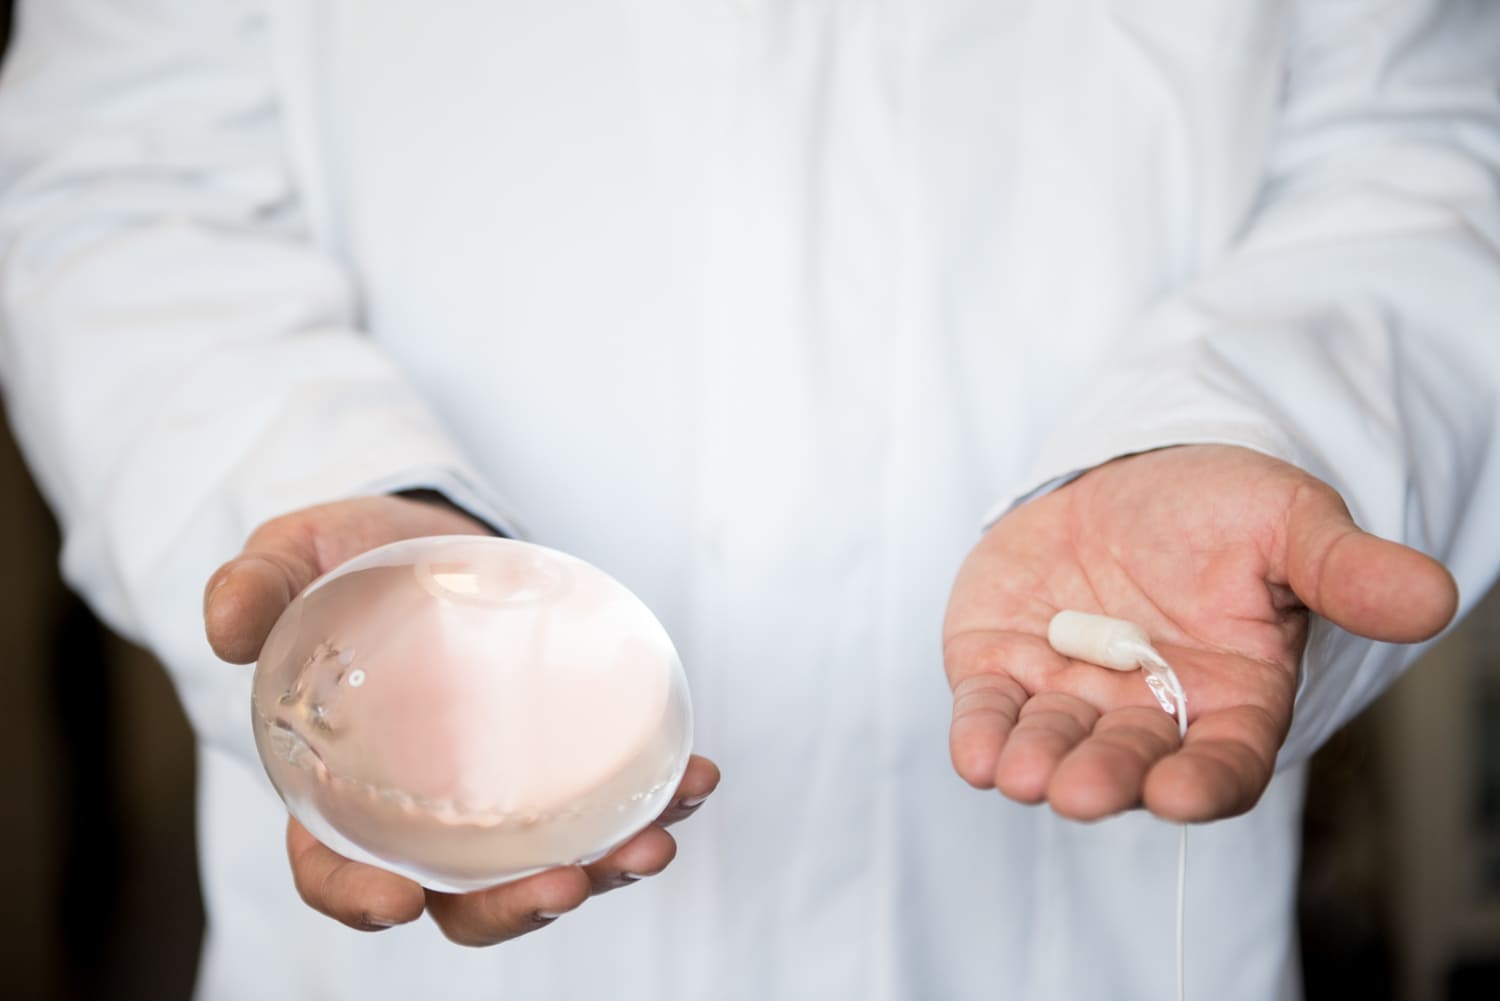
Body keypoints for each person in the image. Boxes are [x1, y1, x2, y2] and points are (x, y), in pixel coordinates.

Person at [0, 1, 1495, 998]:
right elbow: (126, 183)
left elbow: (1429, 137)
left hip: (1069, 918)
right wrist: (342, 526)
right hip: (447, 897)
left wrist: (1261, 422)